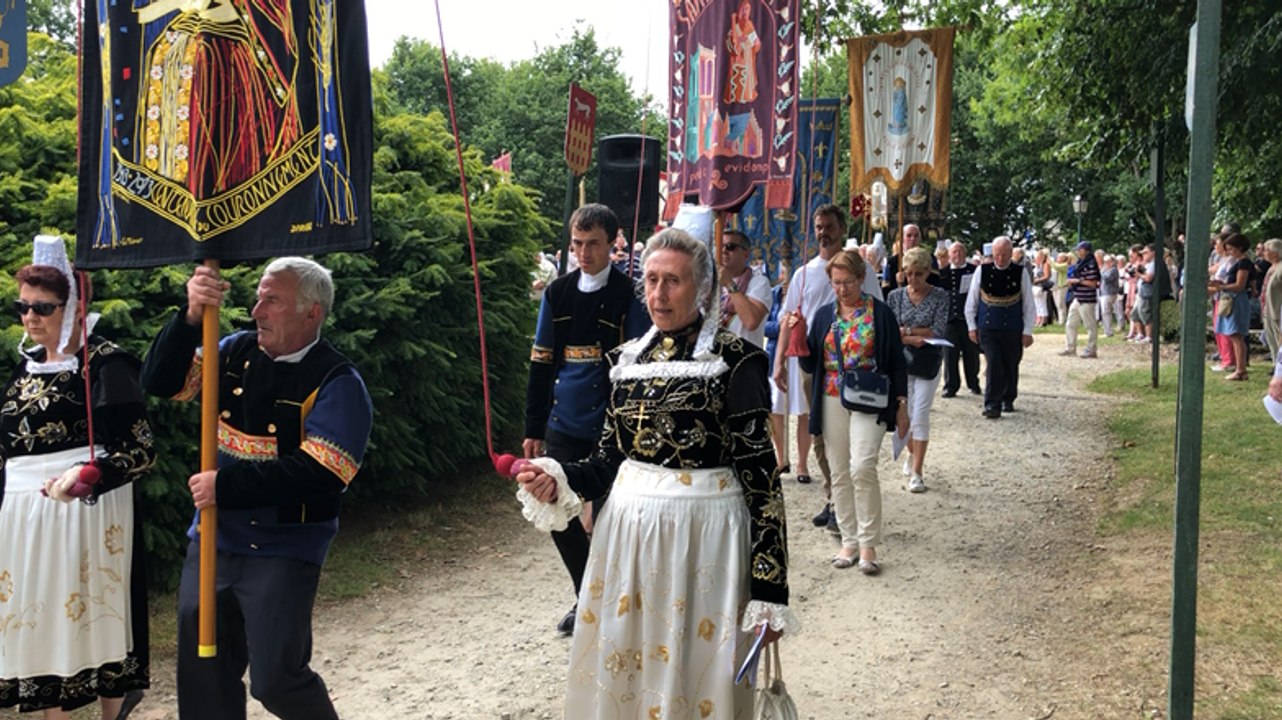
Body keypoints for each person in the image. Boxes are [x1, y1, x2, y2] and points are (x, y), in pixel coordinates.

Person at [516, 228, 796, 718]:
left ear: (702, 289)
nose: (658, 294)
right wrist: (558, 478)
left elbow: (761, 479)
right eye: (650, 280)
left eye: (673, 281)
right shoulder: (625, 362)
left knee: (697, 670)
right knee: (630, 666)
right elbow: (606, 462)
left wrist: (770, 588)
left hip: (708, 541)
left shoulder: (736, 361)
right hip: (628, 538)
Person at [140, 257, 373, 720]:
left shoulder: (338, 382)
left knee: (276, 680)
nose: (256, 310)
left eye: (272, 301)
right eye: (258, 297)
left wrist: (225, 487)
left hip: (284, 548)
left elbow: (322, 473)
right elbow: (161, 382)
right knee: (203, 676)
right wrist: (189, 316)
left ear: (312, 314)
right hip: (213, 537)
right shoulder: (230, 351)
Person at [0, 236, 153, 720]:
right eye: (22, 306)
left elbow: (139, 450)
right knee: (36, 620)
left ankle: (112, 712)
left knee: (94, 617)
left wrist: (82, 478)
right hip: (23, 517)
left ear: (71, 306)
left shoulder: (106, 364)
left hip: (86, 512)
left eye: (43, 307)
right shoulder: (25, 370)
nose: (30, 317)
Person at [522, 203, 650, 635]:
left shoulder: (629, 294)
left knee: (614, 518)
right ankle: (586, 595)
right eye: (576, 244)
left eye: (591, 244)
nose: (582, 252)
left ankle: (621, 600)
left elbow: (636, 364)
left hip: (613, 425)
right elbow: (541, 362)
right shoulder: (557, 293)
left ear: (613, 243)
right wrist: (532, 427)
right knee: (556, 510)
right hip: (564, 421)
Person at [795, 250, 908, 571]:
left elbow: (897, 361)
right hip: (831, 396)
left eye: (847, 282)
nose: (842, 289)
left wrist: (901, 404)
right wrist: (800, 338)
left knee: (863, 466)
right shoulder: (823, 316)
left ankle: (869, 544)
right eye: (836, 283)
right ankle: (849, 542)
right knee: (840, 470)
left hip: (870, 397)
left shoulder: (881, 314)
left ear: (861, 279)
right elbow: (810, 362)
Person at [774, 204, 880, 524]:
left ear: (841, 228)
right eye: (819, 226)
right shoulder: (803, 273)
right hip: (814, 365)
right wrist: (779, 361)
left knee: (848, 437)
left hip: (853, 365)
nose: (823, 232)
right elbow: (786, 318)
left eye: (829, 226)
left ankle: (846, 503)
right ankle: (833, 497)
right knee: (820, 433)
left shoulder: (864, 271)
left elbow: (878, 312)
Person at [886, 247, 949, 491]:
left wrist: (908, 332)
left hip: (927, 362)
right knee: (905, 413)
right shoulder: (895, 297)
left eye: (919, 274)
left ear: (927, 273)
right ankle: (911, 454)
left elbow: (939, 330)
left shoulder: (940, 296)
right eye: (909, 274)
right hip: (901, 362)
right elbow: (891, 332)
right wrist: (914, 336)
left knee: (920, 413)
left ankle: (918, 471)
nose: (913, 279)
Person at [965, 236, 1036, 419]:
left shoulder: (1021, 272)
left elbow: (1028, 304)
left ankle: (1008, 397)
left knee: (1011, 363)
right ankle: (992, 404)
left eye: (1004, 254)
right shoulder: (982, 270)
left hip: (1012, 327)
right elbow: (972, 301)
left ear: (1011, 254)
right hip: (988, 326)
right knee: (994, 362)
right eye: (997, 254)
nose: (1000, 259)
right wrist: (972, 326)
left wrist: (1028, 330)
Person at [938, 241, 981, 397]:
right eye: (954, 252)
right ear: (949, 255)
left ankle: (973, 383)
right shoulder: (943, 272)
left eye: (961, 251)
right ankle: (950, 385)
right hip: (950, 319)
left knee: (971, 353)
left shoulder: (974, 270)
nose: (958, 255)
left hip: (968, 319)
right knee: (950, 354)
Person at [1209, 232, 1253, 381]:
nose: (1229, 252)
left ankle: (1240, 369)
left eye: (1232, 249)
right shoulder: (1238, 261)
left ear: (1240, 247)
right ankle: (1240, 368)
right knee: (1233, 335)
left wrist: (1222, 287)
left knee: (1236, 335)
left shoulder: (1244, 263)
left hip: (1237, 300)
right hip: (1232, 298)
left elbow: (1240, 285)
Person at [719, 229, 772, 348]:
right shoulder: (710, 283)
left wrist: (728, 283)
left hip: (745, 359)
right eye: (720, 246)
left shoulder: (759, 282)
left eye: (730, 247)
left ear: (746, 254)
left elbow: (751, 321)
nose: (724, 251)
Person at [764, 266, 791, 474]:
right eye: (783, 271)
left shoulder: (799, 292)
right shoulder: (773, 294)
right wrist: (781, 327)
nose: (785, 276)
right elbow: (765, 325)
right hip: (775, 355)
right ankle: (781, 458)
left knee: (802, 411)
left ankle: (801, 463)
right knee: (775, 409)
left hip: (798, 355)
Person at [1060, 240, 1101, 359]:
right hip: (1077, 297)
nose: (1077, 251)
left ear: (1086, 250)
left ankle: (1091, 349)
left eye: (1080, 249)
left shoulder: (1091, 263)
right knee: (1070, 324)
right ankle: (1070, 348)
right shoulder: (1080, 263)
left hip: (1087, 299)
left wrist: (1077, 281)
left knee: (1090, 325)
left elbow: (1093, 283)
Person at [1258, 239, 1282, 362]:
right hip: (1267, 310)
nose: (1263, 252)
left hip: (1277, 310)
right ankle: (1275, 364)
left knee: (1279, 339)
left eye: (1266, 250)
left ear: (1275, 252)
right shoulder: (1272, 267)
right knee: (1272, 340)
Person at [1098, 254, 1121, 337]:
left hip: (1109, 293)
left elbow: (1107, 279)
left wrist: (1101, 271)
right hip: (1104, 293)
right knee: (1105, 313)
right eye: (1105, 262)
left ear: (1112, 262)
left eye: (1107, 262)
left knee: (1106, 312)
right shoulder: (1107, 270)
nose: (1106, 263)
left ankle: (1109, 332)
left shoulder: (1113, 270)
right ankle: (1107, 330)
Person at [1031, 248, 1052, 327]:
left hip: (1042, 286)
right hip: (1036, 286)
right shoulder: (1038, 265)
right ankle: (1038, 319)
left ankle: (1044, 320)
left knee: (1042, 303)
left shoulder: (1046, 264)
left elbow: (1047, 276)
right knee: (1037, 303)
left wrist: (1037, 280)